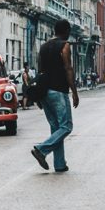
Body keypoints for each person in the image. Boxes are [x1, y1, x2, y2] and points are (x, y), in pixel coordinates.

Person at [31, 19, 79, 173]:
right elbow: (68, 69)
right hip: (58, 91)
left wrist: (38, 96)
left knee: (56, 128)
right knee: (66, 126)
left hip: (44, 91)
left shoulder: (43, 47)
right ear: (65, 31)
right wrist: (74, 92)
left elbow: (40, 72)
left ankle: (59, 164)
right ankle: (41, 149)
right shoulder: (65, 45)